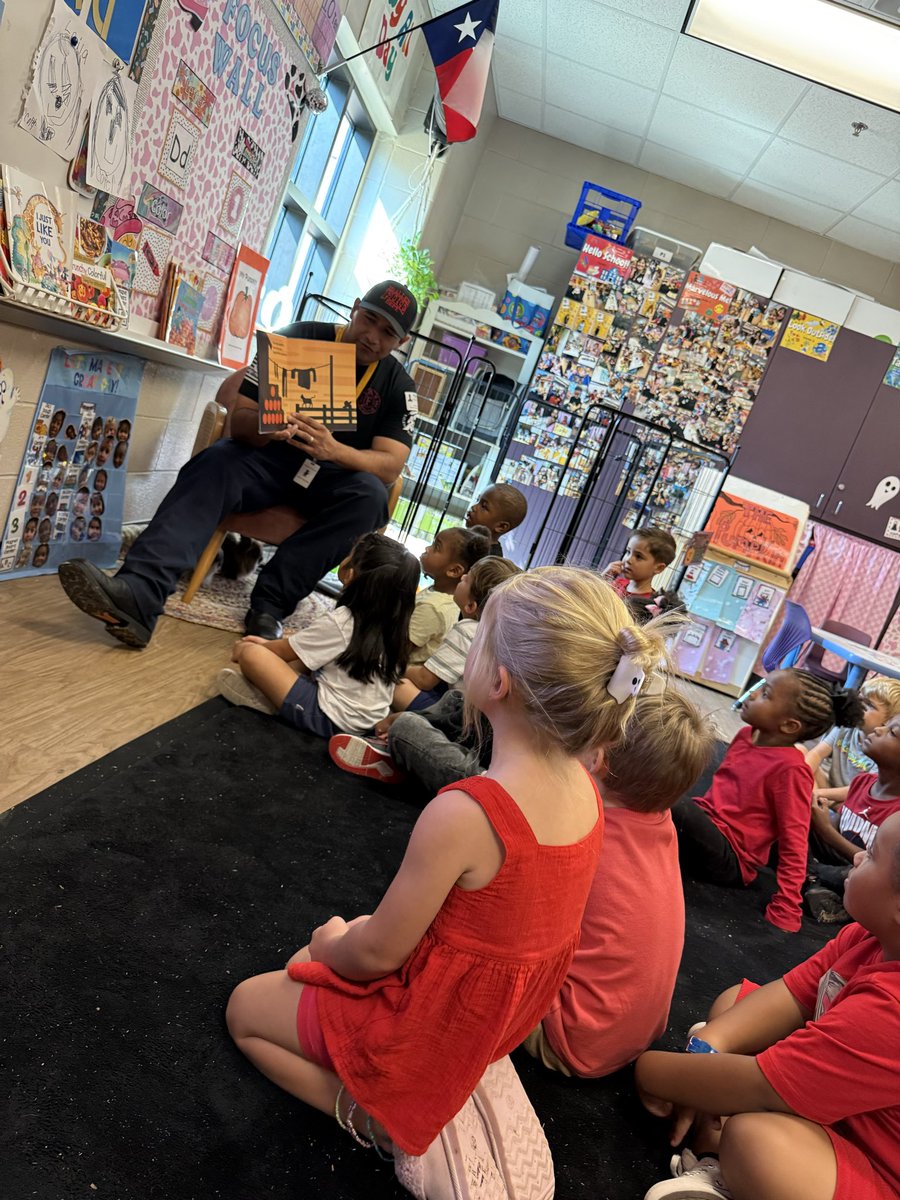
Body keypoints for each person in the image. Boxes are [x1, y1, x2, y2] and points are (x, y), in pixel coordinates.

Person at [225, 566, 669, 1192]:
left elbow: (377, 951)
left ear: (497, 679)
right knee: (307, 967)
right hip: (498, 1024)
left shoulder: (467, 812)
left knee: (247, 1008)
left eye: (477, 636)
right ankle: (412, 1089)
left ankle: (376, 1120)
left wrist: (331, 945)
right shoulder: (591, 792)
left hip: (428, 1021)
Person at [56, 281, 420, 650]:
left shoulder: (398, 387)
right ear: (355, 307)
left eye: (387, 333)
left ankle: (270, 607)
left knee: (372, 495)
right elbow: (240, 419)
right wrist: (268, 423)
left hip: (331, 478)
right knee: (217, 459)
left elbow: (390, 465)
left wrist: (333, 449)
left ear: (401, 342)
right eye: (369, 320)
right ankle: (140, 592)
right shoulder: (295, 338)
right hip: (270, 458)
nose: (372, 336)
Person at [636, 811, 900, 1200]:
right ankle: (717, 1158)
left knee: (755, 1141)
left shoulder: (890, 1012)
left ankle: (721, 1163)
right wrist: (707, 1050)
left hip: (877, 1169)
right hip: (835, 1109)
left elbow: (759, 1085)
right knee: (732, 1008)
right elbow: (792, 993)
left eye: (873, 854)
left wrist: (649, 1072)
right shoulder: (868, 936)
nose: (858, 856)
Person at [524, 689, 716, 1079]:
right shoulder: (661, 822)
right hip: (631, 1035)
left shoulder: (580, 833)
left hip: (568, 1040)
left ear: (596, 758)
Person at [671, 670, 864, 932]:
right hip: (709, 824)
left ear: (789, 725)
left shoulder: (791, 770)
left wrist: (787, 906)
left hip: (731, 858)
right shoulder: (744, 736)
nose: (751, 695)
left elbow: (794, 840)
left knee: (672, 804)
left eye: (765, 694)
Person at [216, 533, 419, 737]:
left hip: (330, 718)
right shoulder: (396, 626)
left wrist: (253, 647)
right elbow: (298, 650)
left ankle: (263, 702)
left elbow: (284, 651)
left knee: (253, 655)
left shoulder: (343, 621)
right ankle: (276, 692)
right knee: (304, 656)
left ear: (350, 574)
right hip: (367, 722)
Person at [390, 557, 521, 713]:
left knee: (396, 685)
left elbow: (425, 680)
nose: (463, 576)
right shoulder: (496, 634)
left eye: (467, 579)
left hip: (456, 714)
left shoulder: (468, 631)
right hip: (470, 708)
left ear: (471, 606)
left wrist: (390, 667)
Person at [807, 715, 900, 911]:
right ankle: (813, 880)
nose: (878, 730)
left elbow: (874, 866)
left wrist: (825, 830)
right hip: (832, 856)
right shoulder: (862, 781)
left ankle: (810, 877)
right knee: (794, 821)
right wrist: (819, 816)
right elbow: (839, 826)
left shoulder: (896, 815)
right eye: (884, 725)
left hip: (857, 868)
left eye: (892, 732)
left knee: (854, 876)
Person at [805, 677, 900, 808]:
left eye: (869, 705)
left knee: (853, 806)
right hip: (828, 786)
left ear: (888, 721)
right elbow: (816, 754)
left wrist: (820, 793)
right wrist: (810, 787)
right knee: (800, 750)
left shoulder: (881, 749)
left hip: (850, 797)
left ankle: (816, 805)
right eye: (859, 700)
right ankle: (813, 801)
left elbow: (862, 788)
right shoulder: (847, 727)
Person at [407, 525, 491, 665]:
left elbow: (395, 651)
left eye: (436, 547)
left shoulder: (433, 607)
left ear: (454, 570)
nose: (428, 549)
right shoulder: (440, 595)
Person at [602, 526, 677, 621]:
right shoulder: (615, 583)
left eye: (638, 556)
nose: (628, 559)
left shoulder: (650, 606)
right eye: (628, 552)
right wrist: (602, 579)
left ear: (658, 568)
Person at [465, 483, 527, 557]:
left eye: (484, 506)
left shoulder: (488, 562)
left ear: (501, 526)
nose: (474, 507)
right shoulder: (465, 540)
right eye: (477, 500)